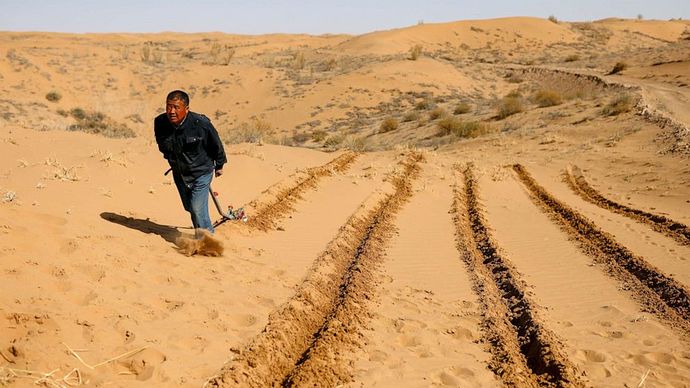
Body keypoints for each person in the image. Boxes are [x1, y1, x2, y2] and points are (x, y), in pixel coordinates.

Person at [154, 90, 227, 236]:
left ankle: (207, 241)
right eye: (169, 106)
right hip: (179, 173)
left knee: (197, 208)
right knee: (190, 207)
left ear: (186, 109)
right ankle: (200, 234)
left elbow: (216, 144)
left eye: (176, 107)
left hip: (201, 172)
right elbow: (162, 145)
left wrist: (219, 165)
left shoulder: (201, 124)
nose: (171, 111)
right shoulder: (160, 122)